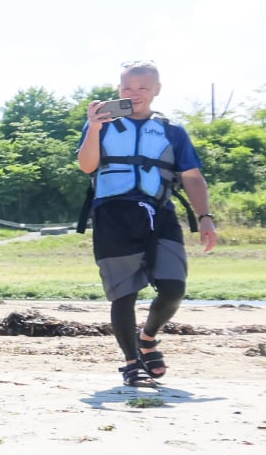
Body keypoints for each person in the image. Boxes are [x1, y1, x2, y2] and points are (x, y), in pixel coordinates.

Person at [75, 61, 219, 386]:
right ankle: (131, 363)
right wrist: (94, 128)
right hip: (113, 215)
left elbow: (193, 177)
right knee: (123, 295)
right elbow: (87, 166)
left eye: (142, 87)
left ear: (157, 89)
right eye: (127, 88)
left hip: (160, 214)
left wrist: (205, 218)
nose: (134, 94)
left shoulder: (173, 131)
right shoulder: (102, 125)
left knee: (173, 289)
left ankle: (149, 337)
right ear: (118, 90)